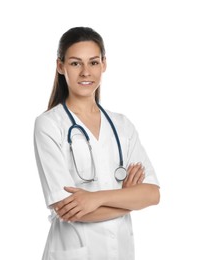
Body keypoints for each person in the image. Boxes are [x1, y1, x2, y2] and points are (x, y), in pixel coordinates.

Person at [34, 26, 160, 260]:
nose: (85, 72)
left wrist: (95, 198)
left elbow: (152, 194)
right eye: (75, 63)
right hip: (73, 253)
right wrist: (129, 198)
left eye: (93, 62)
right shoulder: (49, 125)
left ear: (104, 64)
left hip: (121, 251)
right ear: (60, 66)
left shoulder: (122, 125)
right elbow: (69, 209)